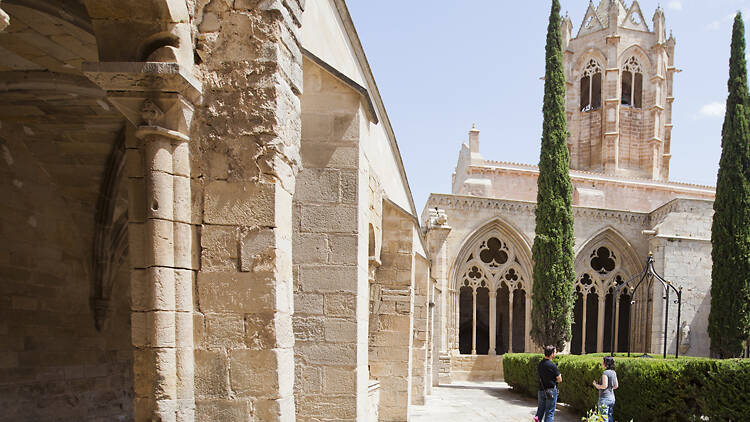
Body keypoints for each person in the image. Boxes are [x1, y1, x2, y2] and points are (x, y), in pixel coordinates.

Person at [535, 345, 562, 422]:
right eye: (555, 352)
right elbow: (560, 379)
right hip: (550, 391)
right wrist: (554, 380)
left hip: (541, 390)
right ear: (552, 354)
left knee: (540, 411)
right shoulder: (552, 365)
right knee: (549, 413)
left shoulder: (540, 364)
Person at [592, 356, 618, 422]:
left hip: (604, 398)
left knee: (603, 418)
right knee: (609, 416)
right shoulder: (614, 372)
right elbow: (616, 386)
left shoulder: (605, 373)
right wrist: (610, 389)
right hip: (612, 398)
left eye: (603, 361)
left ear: (606, 363)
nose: (601, 363)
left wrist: (596, 385)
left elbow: (604, 386)